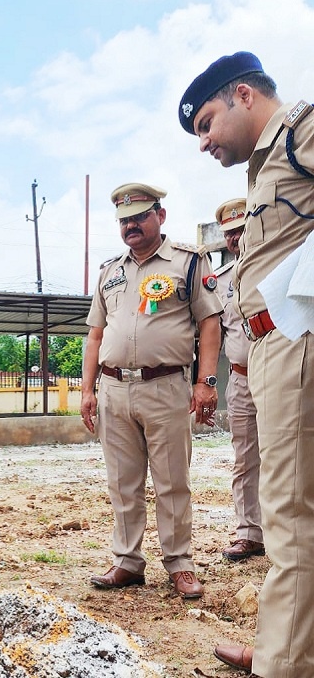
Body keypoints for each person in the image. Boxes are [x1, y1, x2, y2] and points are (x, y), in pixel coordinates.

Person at [180, 50, 314, 678]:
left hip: (296, 341)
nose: (203, 142)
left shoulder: (302, 132)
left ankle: (284, 663)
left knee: (289, 514)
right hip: (269, 348)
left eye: (206, 123)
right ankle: (289, 646)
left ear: (242, 96)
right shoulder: (267, 169)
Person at [80, 183, 222, 600]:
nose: (131, 226)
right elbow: (94, 335)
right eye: (124, 220)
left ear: (160, 215)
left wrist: (205, 381)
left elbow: (210, 323)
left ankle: (180, 563)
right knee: (122, 483)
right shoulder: (109, 271)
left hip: (165, 388)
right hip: (113, 388)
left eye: (140, 217)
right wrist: (87, 391)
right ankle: (127, 561)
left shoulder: (188, 263)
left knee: (171, 481)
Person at [212, 199, 263, 563]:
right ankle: (249, 534)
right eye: (229, 233)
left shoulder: (274, 265)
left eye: (240, 229)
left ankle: (289, 532)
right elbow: (213, 332)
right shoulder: (222, 281)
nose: (235, 238)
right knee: (244, 459)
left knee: (288, 455)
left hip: (279, 374)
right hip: (241, 380)